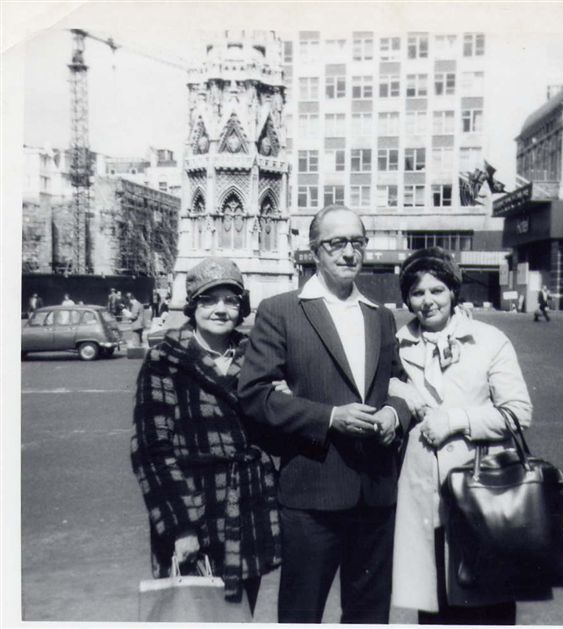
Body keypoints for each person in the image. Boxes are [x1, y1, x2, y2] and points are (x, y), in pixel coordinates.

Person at [238, 205, 411, 624]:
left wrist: (394, 414)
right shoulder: (281, 310)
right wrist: (330, 417)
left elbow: (398, 384)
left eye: (357, 242)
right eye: (336, 243)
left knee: (369, 615)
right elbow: (255, 395)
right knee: (302, 614)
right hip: (312, 495)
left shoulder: (381, 316)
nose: (349, 253)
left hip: (375, 494)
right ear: (315, 251)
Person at [388, 247, 549, 625]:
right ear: (407, 298)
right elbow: (378, 388)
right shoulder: (395, 344)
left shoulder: (489, 340)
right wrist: (399, 388)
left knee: (488, 605)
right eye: (417, 292)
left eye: (437, 290)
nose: (428, 301)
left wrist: (456, 419)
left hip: (484, 495)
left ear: (453, 292)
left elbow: (517, 412)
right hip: (423, 496)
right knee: (435, 607)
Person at [130, 257, 281, 615]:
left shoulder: (257, 358)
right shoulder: (164, 360)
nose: (220, 309)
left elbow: (269, 433)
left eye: (230, 300)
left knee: (239, 613)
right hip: (195, 509)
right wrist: (181, 527)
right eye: (209, 300)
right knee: (195, 613)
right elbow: (151, 449)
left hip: (247, 508)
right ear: (193, 305)